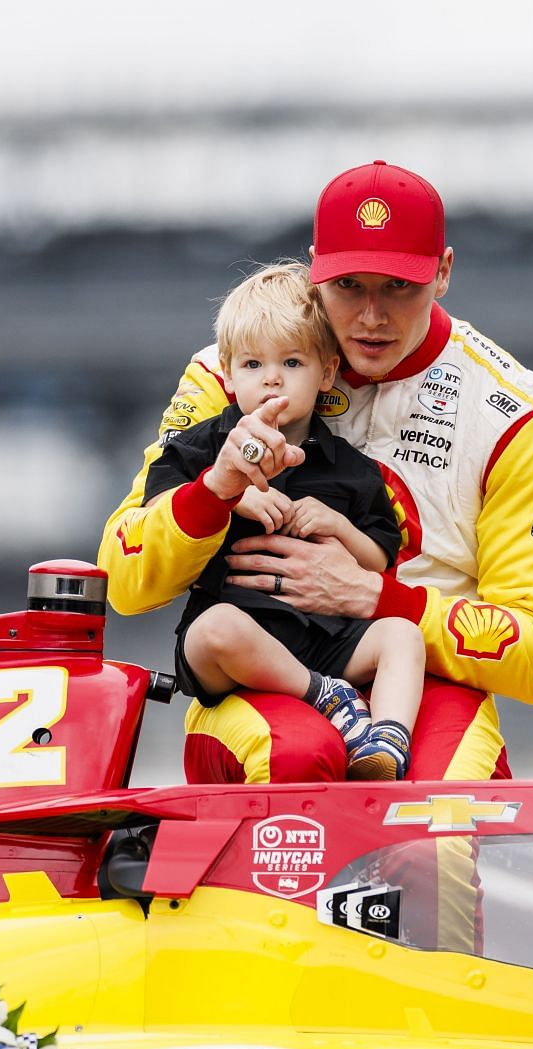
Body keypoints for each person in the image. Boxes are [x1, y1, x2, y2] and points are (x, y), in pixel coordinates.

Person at [98, 160, 533, 784]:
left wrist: (378, 597)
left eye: (398, 287)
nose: (371, 316)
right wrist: (213, 493)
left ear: (442, 273)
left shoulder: (522, 413)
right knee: (294, 760)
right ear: (314, 270)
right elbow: (125, 578)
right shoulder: (227, 375)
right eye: (349, 285)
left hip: (416, 681)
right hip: (259, 672)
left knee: (441, 805)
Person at [144, 263, 423, 780]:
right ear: (227, 372)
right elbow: (158, 506)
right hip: (238, 639)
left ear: (327, 372)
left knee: (404, 635)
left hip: (325, 635)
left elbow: (381, 559)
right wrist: (223, 493)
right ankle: (329, 698)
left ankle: (387, 741)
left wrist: (338, 527)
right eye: (252, 363)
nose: (271, 377)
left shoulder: (351, 468)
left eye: (291, 362)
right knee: (210, 630)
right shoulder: (204, 444)